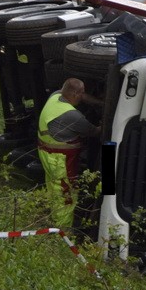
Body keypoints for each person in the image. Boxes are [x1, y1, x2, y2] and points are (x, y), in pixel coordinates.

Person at [37, 78, 101, 227]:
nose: (83, 96)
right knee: (66, 196)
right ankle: (63, 233)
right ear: (75, 93)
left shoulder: (55, 96)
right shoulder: (73, 116)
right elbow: (96, 132)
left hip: (48, 154)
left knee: (54, 189)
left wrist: (99, 103)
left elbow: (82, 96)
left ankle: (54, 221)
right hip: (61, 161)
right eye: (81, 93)